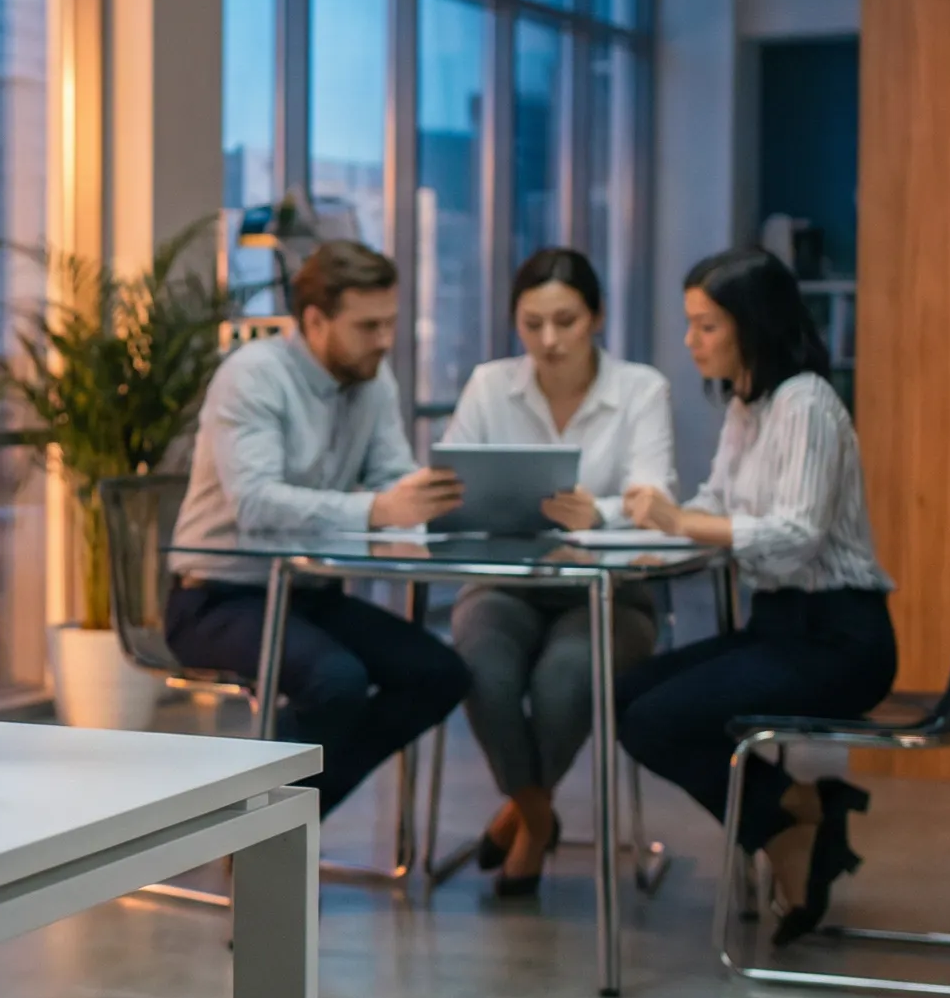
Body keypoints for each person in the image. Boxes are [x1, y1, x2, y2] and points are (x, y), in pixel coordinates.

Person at [615, 248, 896, 945]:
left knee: (655, 719)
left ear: (753, 325)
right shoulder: (751, 401)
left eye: (706, 326)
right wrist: (656, 532)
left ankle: (786, 826)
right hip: (782, 627)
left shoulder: (806, 403)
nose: (690, 342)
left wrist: (682, 524)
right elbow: (719, 501)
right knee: (629, 697)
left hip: (838, 639)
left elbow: (796, 535)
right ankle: (798, 810)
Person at [164, 241, 472, 823]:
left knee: (440, 675)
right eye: (368, 326)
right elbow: (256, 503)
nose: (385, 340)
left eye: (390, 323)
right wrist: (378, 509)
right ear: (314, 320)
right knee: (337, 682)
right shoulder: (253, 376)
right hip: (215, 597)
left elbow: (389, 479)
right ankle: (261, 825)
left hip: (309, 592)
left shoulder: (373, 383)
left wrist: (435, 498)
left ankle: (269, 817)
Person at [441, 247, 677, 896]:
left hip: (611, 596)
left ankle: (519, 815)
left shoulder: (639, 389)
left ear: (597, 316)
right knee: (480, 668)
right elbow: (451, 485)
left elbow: (655, 500)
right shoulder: (492, 385)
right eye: (532, 324)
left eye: (566, 321)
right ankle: (539, 818)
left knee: (564, 679)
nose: (548, 340)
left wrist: (595, 514)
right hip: (505, 583)